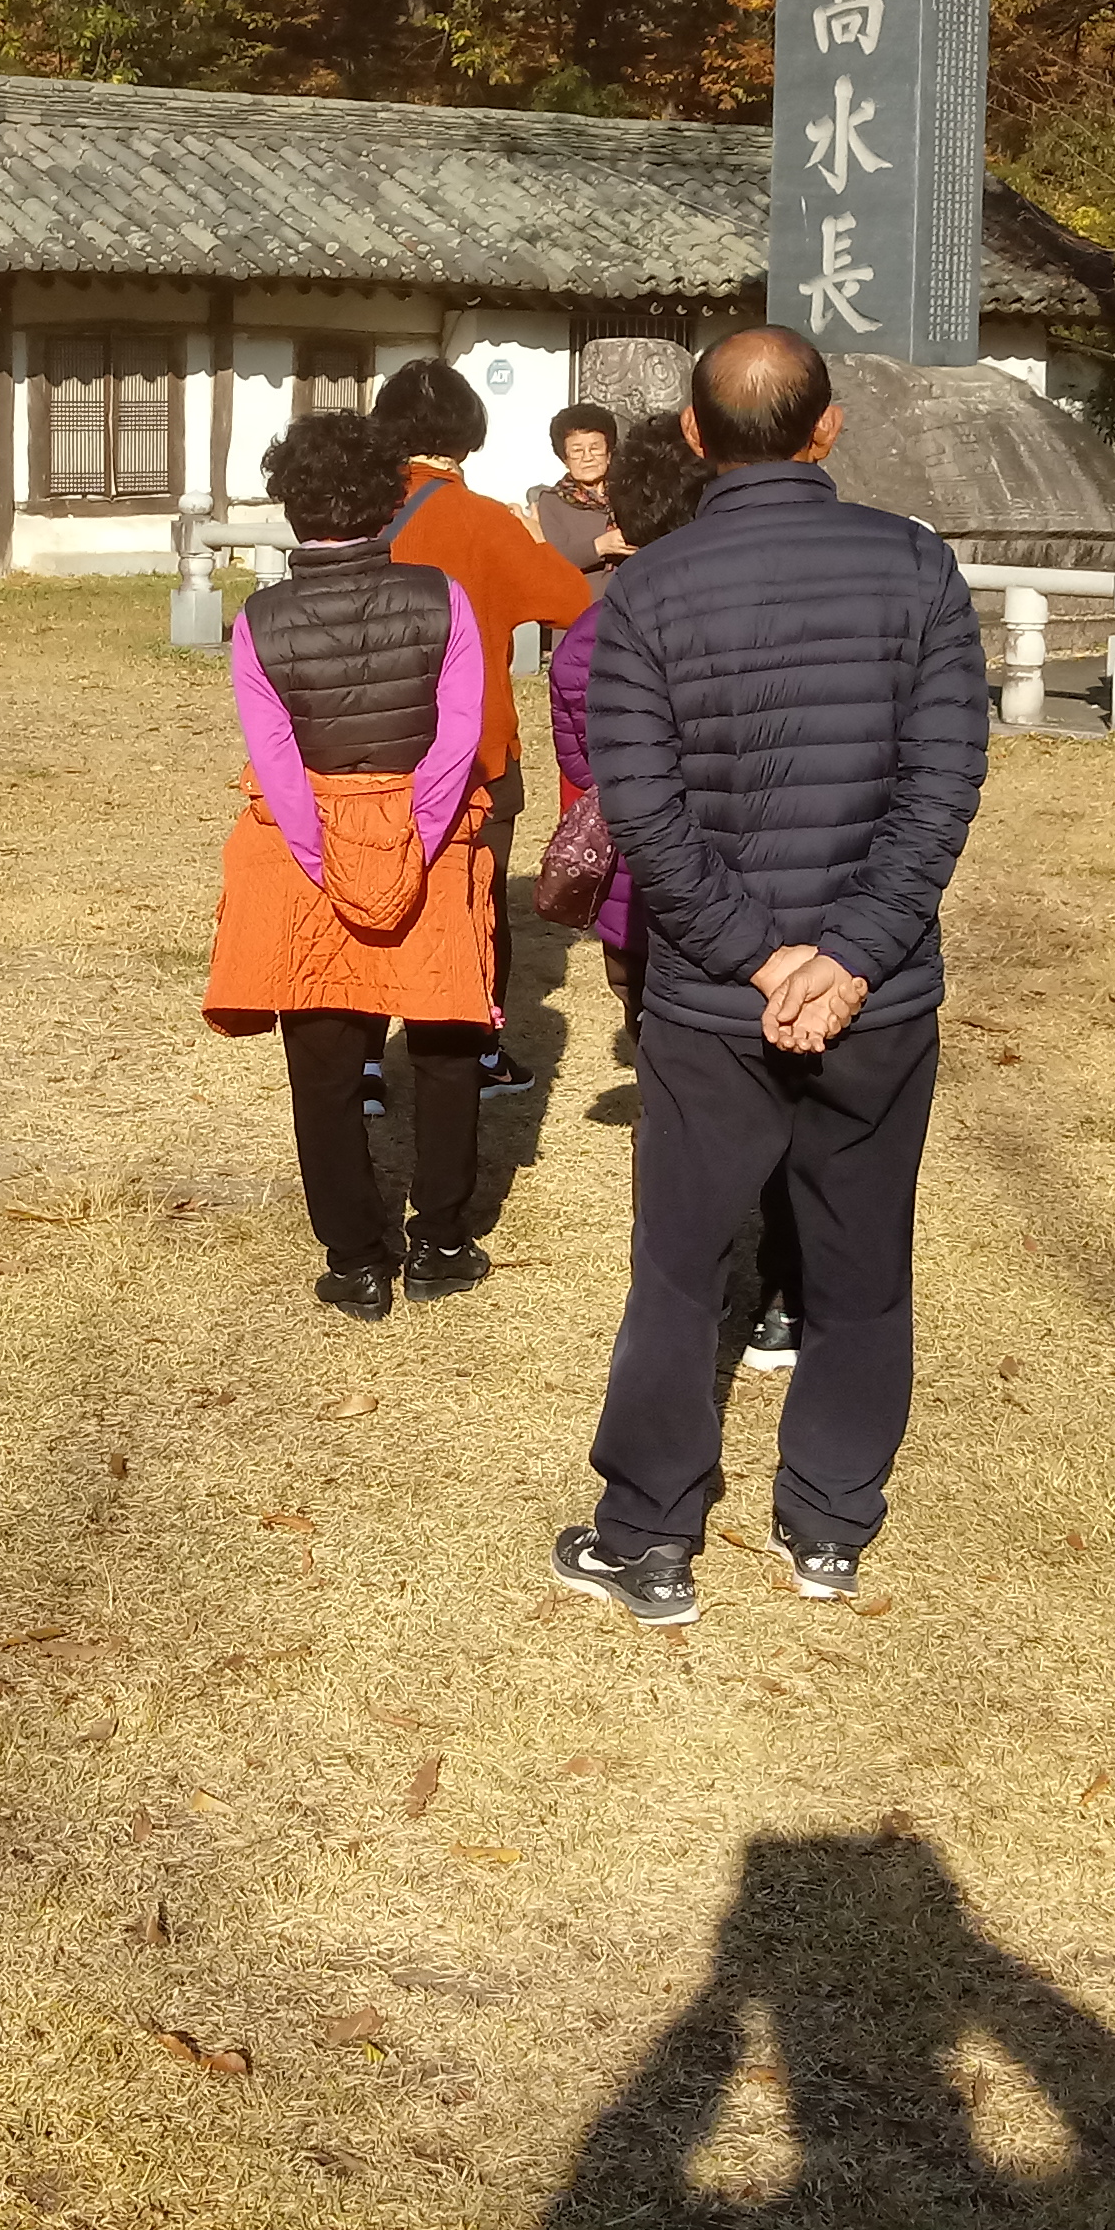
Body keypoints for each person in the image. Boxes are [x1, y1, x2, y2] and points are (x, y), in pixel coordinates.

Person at [555, 329, 989, 1624]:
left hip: (708, 998)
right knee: (861, 1262)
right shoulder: (916, 566)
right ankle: (832, 1525)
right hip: (878, 992)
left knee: (683, 1268)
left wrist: (764, 954)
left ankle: (649, 1536)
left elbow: (643, 808)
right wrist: (848, 953)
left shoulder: (642, 592)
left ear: (691, 435)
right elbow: (942, 785)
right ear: (828, 427)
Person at [201, 409, 500, 1316]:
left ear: (292, 509)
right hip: (432, 838)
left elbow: (277, 763)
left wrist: (323, 856)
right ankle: (443, 1244)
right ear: (388, 502)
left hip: (307, 856)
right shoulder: (444, 598)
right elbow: (459, 736)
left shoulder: (258, 621)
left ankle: (355, 1261)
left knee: (324, 1068)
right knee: (447, 1047)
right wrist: (415, 828)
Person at [543, 420, 796, 1361]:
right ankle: (782, 1291)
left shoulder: (588, 641)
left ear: (619, 510)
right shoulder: (766, 606)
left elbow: (590, 787)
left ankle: (675, 1291)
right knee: (784, 1088)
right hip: (774, 888)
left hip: (645, 907)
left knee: (675, 1106)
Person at [368, 358, 593, 1108]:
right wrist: (533, 541)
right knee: (474, 900)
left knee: (366, 892)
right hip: (473, 751)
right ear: (467, 433)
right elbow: (569, 601)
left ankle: (365, 1057)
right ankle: (478, 1047)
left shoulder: (357, 509)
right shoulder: (485, 520)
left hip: (366, 743)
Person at [528, 402, 631, 583]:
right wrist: (599, 546)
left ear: (609, 452)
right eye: (577, 451)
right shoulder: (552, 502)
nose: (587, 457)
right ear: (565, 458)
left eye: (595, 448)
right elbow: (552, 560)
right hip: (583, 603)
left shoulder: (629, 492)